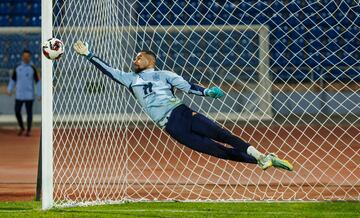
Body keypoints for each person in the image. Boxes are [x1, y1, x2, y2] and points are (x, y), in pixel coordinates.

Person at [73, 41, 293, 171]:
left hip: (182, 113)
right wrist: (88, 55)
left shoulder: (164, 74)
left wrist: (207, 92)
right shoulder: (130, 79)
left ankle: (261, 155)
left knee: (223, 134)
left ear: (150, 60)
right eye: (135, 58)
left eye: (139, 58)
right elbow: (109, 70)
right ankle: (264, 160)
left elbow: (188, 87)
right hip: (170, 127)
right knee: (218, 152)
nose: (135, 60)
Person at [7, 50, 41, 136]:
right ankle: (22, 127)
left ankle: (28, 130)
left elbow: (38, 82)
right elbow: (13, 79)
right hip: (19, 95)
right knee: (17, 111)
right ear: (22, 57)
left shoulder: (33, 68)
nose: (26, 58)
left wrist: (39, 94)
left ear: (30, 57)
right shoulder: (17, 67)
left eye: (28, 56)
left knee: (29, 113)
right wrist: (9, 89)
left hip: (29, 96)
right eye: (24, 56)